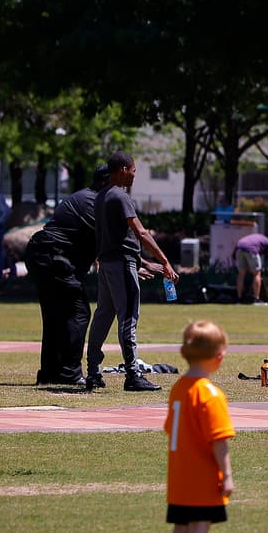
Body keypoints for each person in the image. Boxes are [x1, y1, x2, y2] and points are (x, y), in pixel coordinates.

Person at [85, 152, 179, 392]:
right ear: (124, 169)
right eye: (134, 171)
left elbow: (111, 237)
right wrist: (165, 261)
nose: (135, 176)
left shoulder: (101, 196)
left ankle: (92, 371)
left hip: (106, 264)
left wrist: (142, 263)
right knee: (128, 317)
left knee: (103, 316)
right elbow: (140, 232)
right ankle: (133, 375)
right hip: (121, 264)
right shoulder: (120, 195)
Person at [164, 320, 235, 533]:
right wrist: (226, 474)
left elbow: (171, 428)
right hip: (201, 473)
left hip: (179, 473)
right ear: (219, 356)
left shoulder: (178, 388)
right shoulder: (211, 395)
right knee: (199, 528)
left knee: (181, 528)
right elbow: (219, 440)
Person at [24, 164, 111, 385]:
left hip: (43, 254)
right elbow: (107, 240)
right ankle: (70, 373)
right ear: (105, 182)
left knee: (55, 315)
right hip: (54, 256)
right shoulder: (93, 202)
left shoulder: (84, 197)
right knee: (78, 312)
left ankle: (51, 372)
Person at [233, 232, 268, 304]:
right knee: (257, 274)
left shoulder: (259, 239)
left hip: (239, 247)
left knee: (241, 274)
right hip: (251, 249)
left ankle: (239, 299)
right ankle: (256, 299)